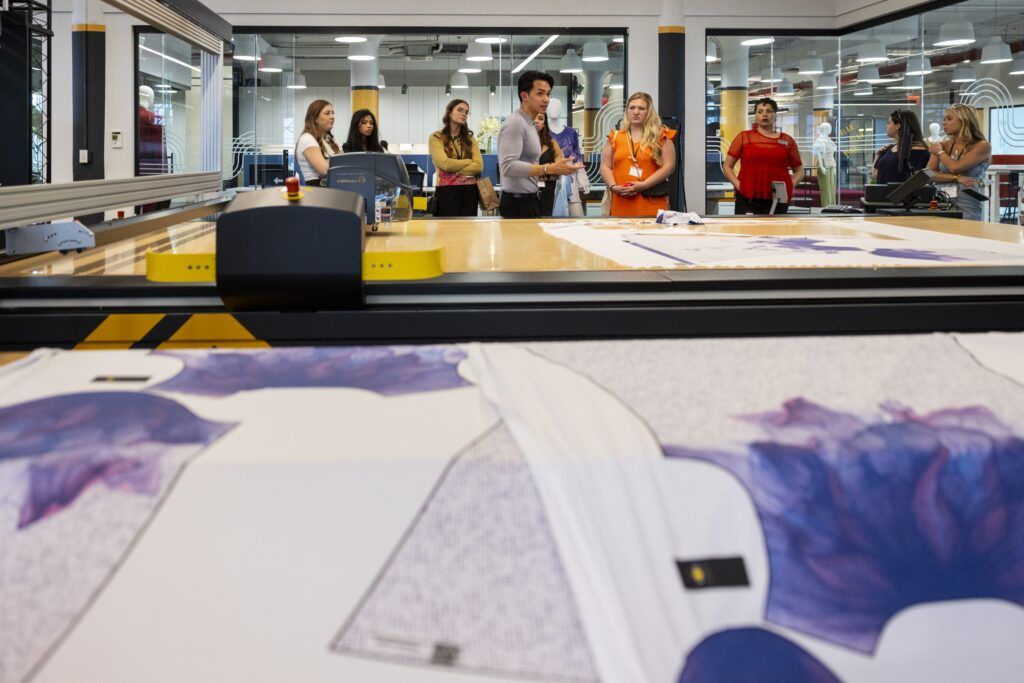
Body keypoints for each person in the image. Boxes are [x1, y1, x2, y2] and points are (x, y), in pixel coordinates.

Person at [497, 70, 582, 218]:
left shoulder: (530, 125)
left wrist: (560, 167)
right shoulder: (515, 123)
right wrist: (548, 168)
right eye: (540, 93)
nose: (546, 99)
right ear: (524, 96)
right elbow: (508, 167)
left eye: (548, 94)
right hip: (517, 204)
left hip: (530, 199)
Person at [600, 92, 677, 217]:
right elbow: (605, 166)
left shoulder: (661, 135)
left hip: (651, 200)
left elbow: (669, 167)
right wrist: (613, 187)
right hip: (621, 200)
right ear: (627, 111)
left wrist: (644, 185)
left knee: (650, 234)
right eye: (632, 108)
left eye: (641, 108)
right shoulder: (615, 136)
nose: (636, 112)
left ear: (649, 112)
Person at [722, 97, 804, 215]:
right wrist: (739, 186)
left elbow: (799, 171)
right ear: (755, 116)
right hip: (747, 197)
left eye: (769, 111)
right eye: (760, 112)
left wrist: (788, 187)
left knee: (775, 232)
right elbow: (727, 166)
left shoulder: (787, 140)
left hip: (778, 199)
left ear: (775, 115)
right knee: (746, 232)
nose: (764, 114)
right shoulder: (744, 137)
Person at [927, 103, 991, 222]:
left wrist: (940, 153)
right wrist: (957, 178)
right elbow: (929, 174)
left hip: (968, 204)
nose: (944, 123)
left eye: (949, 119)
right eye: (944, 119)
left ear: (965, 120)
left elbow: (956, 167)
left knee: (968, 237)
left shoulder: (982, 146)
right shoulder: (943, 145)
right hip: (943, 201)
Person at [429, 99, 483, 217]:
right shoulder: (436, 137)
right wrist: (468, 161)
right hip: (446, 192)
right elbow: (445, 164)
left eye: (466, 112)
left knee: (468, 231)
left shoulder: (469, 139)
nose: (464, 114)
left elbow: (478, 166)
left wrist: (453, 171)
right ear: (449, 113)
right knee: (446, 232)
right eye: (460, 110)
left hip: (470, 191)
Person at [871, 109, 930, 185]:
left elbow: (919, 180)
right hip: (883, 194)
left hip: (903, 195)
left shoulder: (918, 151)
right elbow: (875, 175)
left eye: (889, 123)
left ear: (898, 126)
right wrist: (877, 156)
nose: (886, 126)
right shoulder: (888, 149)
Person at [295, 99, 340, 186]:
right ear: (315, 119)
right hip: (315, 190)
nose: (332, 117)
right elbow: (325, 170)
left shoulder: (329, 139)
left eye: (333, 113)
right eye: (327, 113)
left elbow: (344, 162)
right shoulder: (307, 139)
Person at [535, 112, 564, 216]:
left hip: (547, 192)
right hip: (526, 193)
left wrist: (534, 173)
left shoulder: (553, 144)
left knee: (545, 224)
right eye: (533, 118)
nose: (536, 121)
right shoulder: (522, 143)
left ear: (545, 123)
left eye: (540, 118)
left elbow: (560, 169)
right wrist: (548, 170)